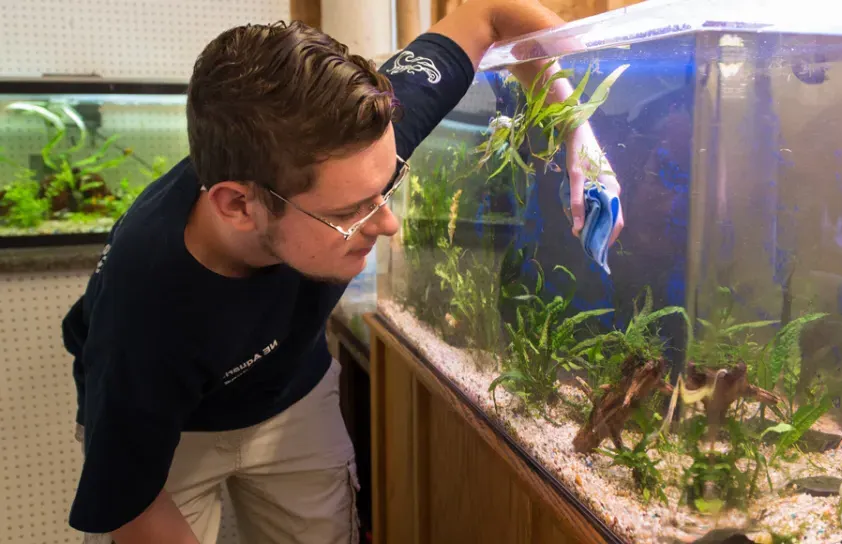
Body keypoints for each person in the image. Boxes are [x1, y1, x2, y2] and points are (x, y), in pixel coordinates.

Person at [61, 0, 625, 542]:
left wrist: (579, 131)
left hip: (292, 394)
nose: (386, 225)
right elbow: (134, 507)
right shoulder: (146, 311)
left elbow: (493, 12)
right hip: (174, 429)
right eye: (347, 212)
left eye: (386, 188)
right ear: (238, 206)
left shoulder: (353, 141)